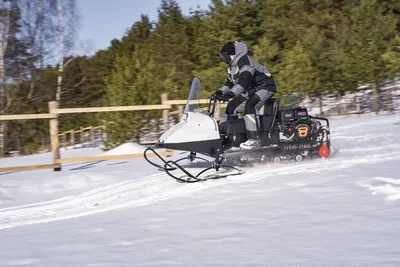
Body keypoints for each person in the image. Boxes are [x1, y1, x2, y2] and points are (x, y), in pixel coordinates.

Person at [211, 41, 277, 149]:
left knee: (250, 106)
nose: (224, 59)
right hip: (251, 90)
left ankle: (254, 139)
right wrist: (219, 92)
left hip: (264, 87)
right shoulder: (233, 67)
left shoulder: (244, 61)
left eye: (225, 56)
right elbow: (229, 83)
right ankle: (233, 137)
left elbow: (244, 80)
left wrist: (231, 94)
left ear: (233, 54)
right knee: (232, 107)